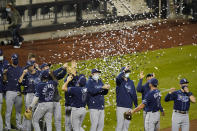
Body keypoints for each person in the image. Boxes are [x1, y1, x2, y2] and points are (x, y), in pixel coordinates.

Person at [41, 62, 68, 131]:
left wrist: (64, 69)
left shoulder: (52, 76)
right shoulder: (42, 76)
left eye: (48, 67)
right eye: (46, 67)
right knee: (47, 120)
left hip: (56, 100)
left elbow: (61, 75)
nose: (48, 68)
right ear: (42, 69)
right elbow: (54, 72)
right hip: (48, 102)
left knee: (58, 119)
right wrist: (62, 67)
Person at [18, 61, 41, 131]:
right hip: (29, 95)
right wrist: (23, 73)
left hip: (38, 95)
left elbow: (45, 76)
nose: (29, 68)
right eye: (28, 67)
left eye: (30, 66)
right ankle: (28, 129)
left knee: (38, 113)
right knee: (28, 113)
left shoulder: (39, 73)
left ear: (33, 66)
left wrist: (38, 68)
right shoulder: (26, 74)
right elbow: (19, 82)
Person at [3, 54, 23, 130]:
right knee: (8, 111)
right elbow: (4, 80)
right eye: (14, 59)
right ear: (11, 60)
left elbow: (22, 81)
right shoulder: (7, 68)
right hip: (10, 91)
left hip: (18, 92)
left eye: (16, 59)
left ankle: (19, 125)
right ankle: (7, 126)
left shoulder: (20, 69)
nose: (15, 60)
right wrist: (4, 74)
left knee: (18, 110)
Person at [116, 66, 138, 131]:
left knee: (126, 126)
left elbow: (134, 94)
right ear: (123, 73)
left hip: (129, 107)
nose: (128, 73)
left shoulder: (131, 82)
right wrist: (124, 70)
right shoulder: (119, 82)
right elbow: (118, 77)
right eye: (126, 72)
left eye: (128, 72)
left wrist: (136, 105)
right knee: (120, 126)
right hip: (121, 107)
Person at [64, 60, 80, 131]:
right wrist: (73, 69)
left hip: (75, 105)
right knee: (68, 124)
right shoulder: (67, 79)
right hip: (69, 105)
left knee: (75, 124)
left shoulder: (77, 78)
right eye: (72, 69)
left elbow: (79, 83)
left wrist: (74, 68)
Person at [0, 49, 9, 131]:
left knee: (8, 108)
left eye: (1, 55)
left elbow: (6, 78)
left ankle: (7, 126)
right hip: (0, 90)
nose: (0, 57)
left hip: (6, 89)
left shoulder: (6, 63)